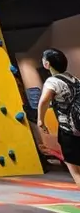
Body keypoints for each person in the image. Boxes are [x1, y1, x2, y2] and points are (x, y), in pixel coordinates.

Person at [37, 48, 80, 187]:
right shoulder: (75, 80)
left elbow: (44, 100)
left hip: (69, 131)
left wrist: (40, 120)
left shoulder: (52, 81)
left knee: (75, 171)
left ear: (47, 64)